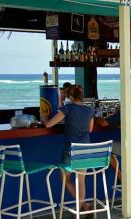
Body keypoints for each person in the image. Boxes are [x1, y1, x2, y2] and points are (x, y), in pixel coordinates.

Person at [42, 84, 94, 213]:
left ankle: (82, 207)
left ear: (70, 96)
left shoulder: (67, 108)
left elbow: (49, 124)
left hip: (71, 150)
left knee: (65, 178)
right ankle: (83, 207)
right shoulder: (89, 110)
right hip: (85, 149)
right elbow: (90, 129)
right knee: (81, 180)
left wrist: (43, 118)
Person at [95, 87, 131, 182]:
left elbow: (103, 123)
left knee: (106, 148)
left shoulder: (128, 110)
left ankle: (121, 177)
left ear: (129, 97)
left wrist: (93, 118)